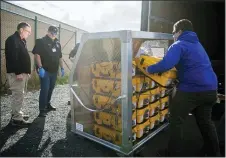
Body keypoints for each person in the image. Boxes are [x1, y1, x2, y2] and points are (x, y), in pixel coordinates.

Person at [146, 19, 221, 156]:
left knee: (176, 121)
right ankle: (214, 152)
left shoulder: (179, 44)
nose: (173, 36)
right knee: (205, 122)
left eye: (173, 33)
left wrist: (148, 69)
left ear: (180, 32)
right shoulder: (198, 45)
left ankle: (173, 153)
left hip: (191, 90)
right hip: (210, 89)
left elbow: (165, 64)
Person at [32, 26, 64, 117]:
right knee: (45, 89)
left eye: (55, 33)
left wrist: (62, 68)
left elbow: (60, 57)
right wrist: (40, 67)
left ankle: (48, 104)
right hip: (44, 70)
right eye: (52, 32)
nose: (53, 34)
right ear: (48, 31)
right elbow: (37, 55)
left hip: (54, 71)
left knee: (51, 88)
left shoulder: (58, 43)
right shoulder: (41, 41)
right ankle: (42, 109)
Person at [5, 22, 32, 126]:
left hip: (21, 73)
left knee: (20, 95)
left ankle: (16, 114)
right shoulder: (13, 40)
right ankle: (17, 119)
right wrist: (18, 72)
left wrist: (27, 72)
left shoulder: (21, 40)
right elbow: (13, 57)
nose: (29, 34)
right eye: (28, 31)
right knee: (18, 95)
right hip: (17, 74)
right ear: (21, 30)